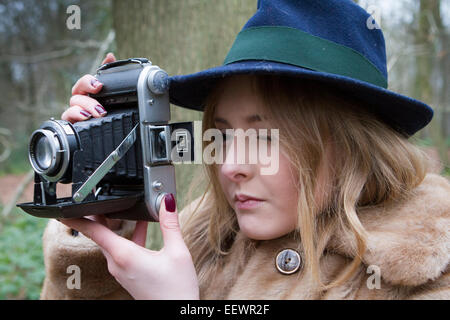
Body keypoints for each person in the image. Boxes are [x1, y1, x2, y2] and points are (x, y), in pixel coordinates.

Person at [40, 0, 450, 300]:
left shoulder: (426, 272)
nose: (230, 166)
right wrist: (104, 229)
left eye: (267, 138)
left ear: (354, 145)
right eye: (223, 134)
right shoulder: (204, 236)